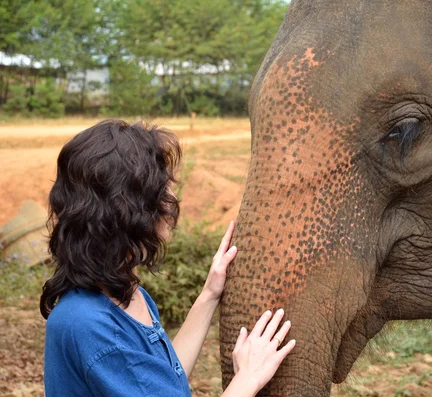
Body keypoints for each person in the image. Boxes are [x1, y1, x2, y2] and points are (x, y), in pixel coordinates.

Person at [40, 120, 295, 396]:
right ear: (126, 210)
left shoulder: (123, 294)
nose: (172, 198)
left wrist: (209, 294)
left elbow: (165, 383)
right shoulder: (94, 329)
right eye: (161, 189)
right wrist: (248, 378)